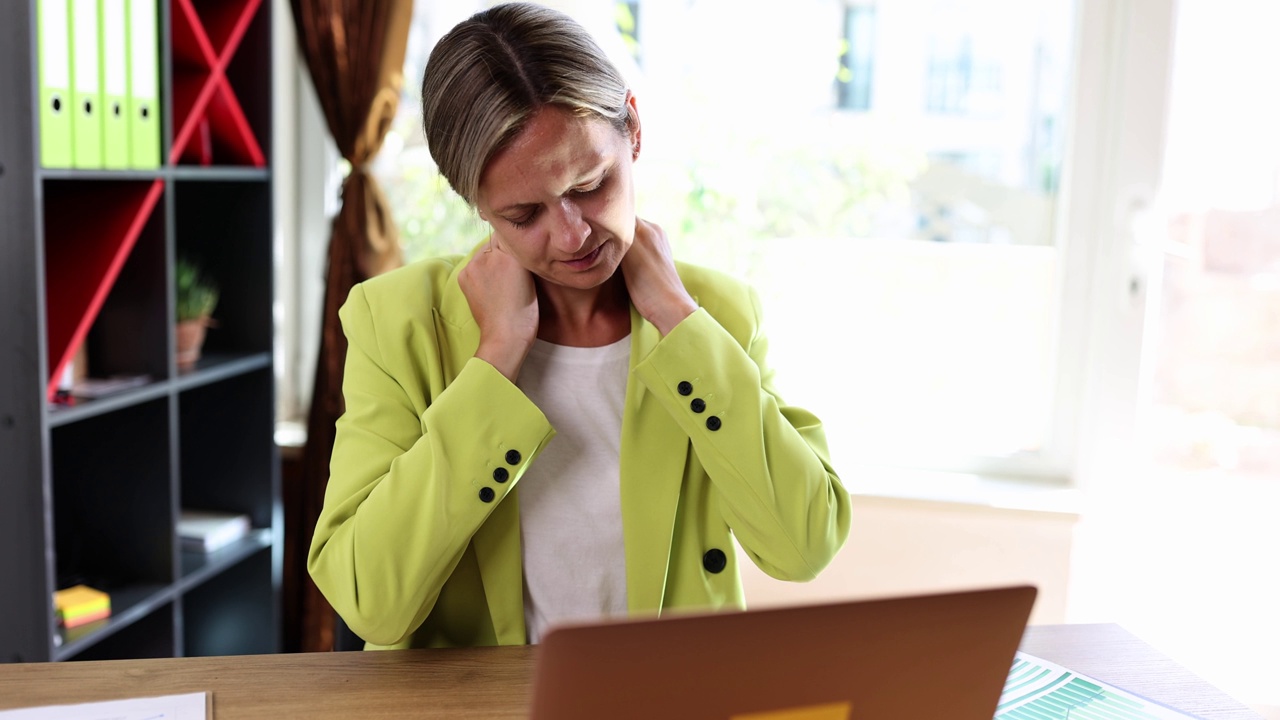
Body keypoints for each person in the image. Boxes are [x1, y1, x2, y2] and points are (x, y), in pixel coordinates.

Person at [308, 1, 851, 650]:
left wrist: (679, 322)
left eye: (592, 184)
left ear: (635, 131)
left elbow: (804, 546)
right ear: (473, 201)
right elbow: (372, 605)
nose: (572, 235)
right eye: (523, 213)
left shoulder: (716, 316)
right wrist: (496, 358)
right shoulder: (398, 321)